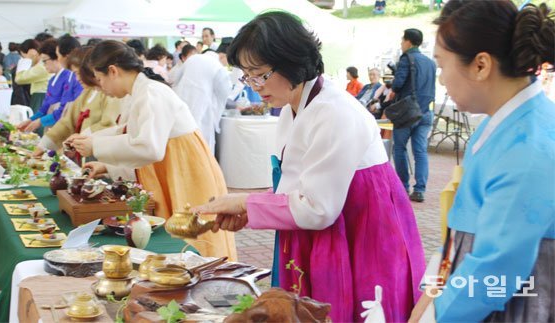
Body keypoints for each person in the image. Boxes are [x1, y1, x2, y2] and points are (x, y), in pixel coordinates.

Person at [193, 11, 425, 322]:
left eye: (259, 74)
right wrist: (249, 211)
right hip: (330, 226)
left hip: (361, 230)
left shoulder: (334, 111)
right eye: (246, 75)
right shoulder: (293, 107)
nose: (253, 85)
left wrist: (244, 201)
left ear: (290, 61)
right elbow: (297, 186)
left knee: (348, 307)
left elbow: (317, 208)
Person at [422, 1, 554, 321]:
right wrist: (432, 293)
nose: (441, 80)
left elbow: (497, 267)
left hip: (511, 303)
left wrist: (435, 312)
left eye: (441, 65)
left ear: (481, 65)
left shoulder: (528, 148)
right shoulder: (501, 126)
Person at [65, 40, 237, 261]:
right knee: (176, 248)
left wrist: (94, 145)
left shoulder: (151, 92)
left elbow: (149, 147)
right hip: (173, 172)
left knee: (193, 245)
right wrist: (97, 150)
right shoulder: (142, 91)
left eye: (100, 81)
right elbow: (130, 133)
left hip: (186, 174)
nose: (103, 89)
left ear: (113, 71)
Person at [33, 47, 120, 158]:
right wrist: (43, 145)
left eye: (78, 73)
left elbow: (109, 124)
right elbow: (67, 123)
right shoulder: (87, 93)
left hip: (101, 155)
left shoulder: (110, 94)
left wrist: (80, 136)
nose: (77, 78)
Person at [391, 28, 436, 202]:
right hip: (426, 112)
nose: (401, 43)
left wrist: (393, 82)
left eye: (403, 40)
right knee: (420, 151)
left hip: (408, 112)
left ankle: (403, 186)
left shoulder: (406, 58)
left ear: (408, 41)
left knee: (400, 148)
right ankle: (420, 189)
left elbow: (397, 85)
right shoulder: (430, 62)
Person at [172, 50, 231, 154]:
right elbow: (225, 92)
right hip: (203, 108)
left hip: (181, 104)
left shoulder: (192, 59)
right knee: (202, 144)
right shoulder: (217, 66)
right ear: (223, 56)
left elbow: (175, 79)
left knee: (182, 141)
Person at [17, 38, 75, 133]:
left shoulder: (68, 78)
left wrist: (40, 121)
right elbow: (45, 107)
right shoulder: (52, 80)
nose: (43, 65)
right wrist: (30, 120)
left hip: (62, 125)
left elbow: (64, 109)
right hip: (52, 123)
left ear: (57, 58)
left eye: (44, 61)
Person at [15, 39, 49, 112]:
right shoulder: (41, 65)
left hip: (40, 98)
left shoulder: (42, 66)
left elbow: (19, 79)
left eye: (23, 57)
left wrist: (27, 59)